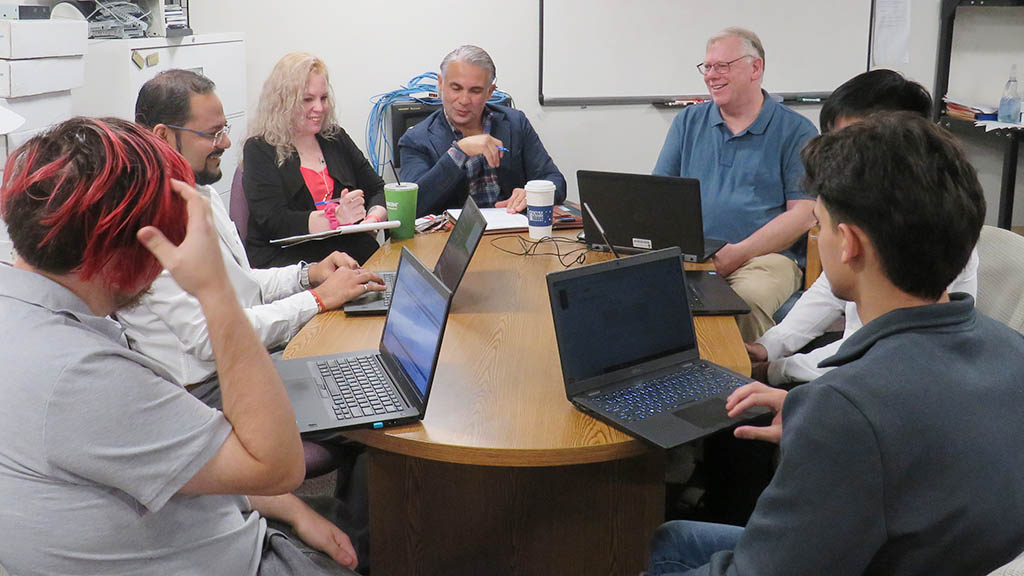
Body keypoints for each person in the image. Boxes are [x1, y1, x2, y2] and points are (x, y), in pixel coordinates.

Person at [647, 112, 1024, 576]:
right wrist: (808, 414)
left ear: (848, 243)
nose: (817, 239)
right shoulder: (1012, 351)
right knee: (670, 538)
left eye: (819, 226)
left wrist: (828, 429)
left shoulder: (848, 409)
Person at [0, 117, 360, 575]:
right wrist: (215, 294)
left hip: (220, 515)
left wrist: (288, 508)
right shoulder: (81, 375)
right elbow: (280, 465)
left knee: (358, 518)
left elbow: (152, 461)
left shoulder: (25, 320)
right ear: (123, 255)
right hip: (234, 559)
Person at [123, 69, 384, 401]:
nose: (227, 143)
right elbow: (209, 338)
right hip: (209, 387)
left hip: (245, 358)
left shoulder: (200, 193)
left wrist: (309, 275)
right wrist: (317, 300)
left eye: (225, 130)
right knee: (362, 393)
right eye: (213, 133)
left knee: (367, 362)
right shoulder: (148, 223)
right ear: (162, 136)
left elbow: (244, 286)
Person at [747, 69, 979, 386]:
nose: (840, 155)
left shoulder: (929, 227)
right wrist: (770, 346)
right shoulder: (865, 205)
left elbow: (877, 357)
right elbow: (831, 289)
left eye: (852, 140)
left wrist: (777, 372)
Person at [654, 27, 817, 342]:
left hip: (765, 258)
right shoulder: (688, 122)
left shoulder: (796, 130)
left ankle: (737, 384)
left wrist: (738, 253)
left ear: (755, 68)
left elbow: (804, 214)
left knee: (741, 303)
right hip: (692, 252)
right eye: (707, 67)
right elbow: (659, 195)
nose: (711, 75)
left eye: (722, 66)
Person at [244, 52, 385, 268]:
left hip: (348, 253)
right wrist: (335, 218)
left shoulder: (335, 138)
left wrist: (371, 220)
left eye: (323, 98)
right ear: (282, 102)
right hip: (291, 263)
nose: (319, 108)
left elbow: (377, 188)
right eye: (307, 99)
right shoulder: (259, 148)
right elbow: (273, 221)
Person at [398, 44, 567, 217]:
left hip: (513, 232)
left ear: (489, 92)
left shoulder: (515, 123)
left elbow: (555, 180)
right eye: (456, 88)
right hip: (453, 239)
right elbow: (413, 206)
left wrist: (534, 194)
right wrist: (459, 151)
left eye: (475, 91)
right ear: (440, 84)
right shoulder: (415, 139)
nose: (464, 100)